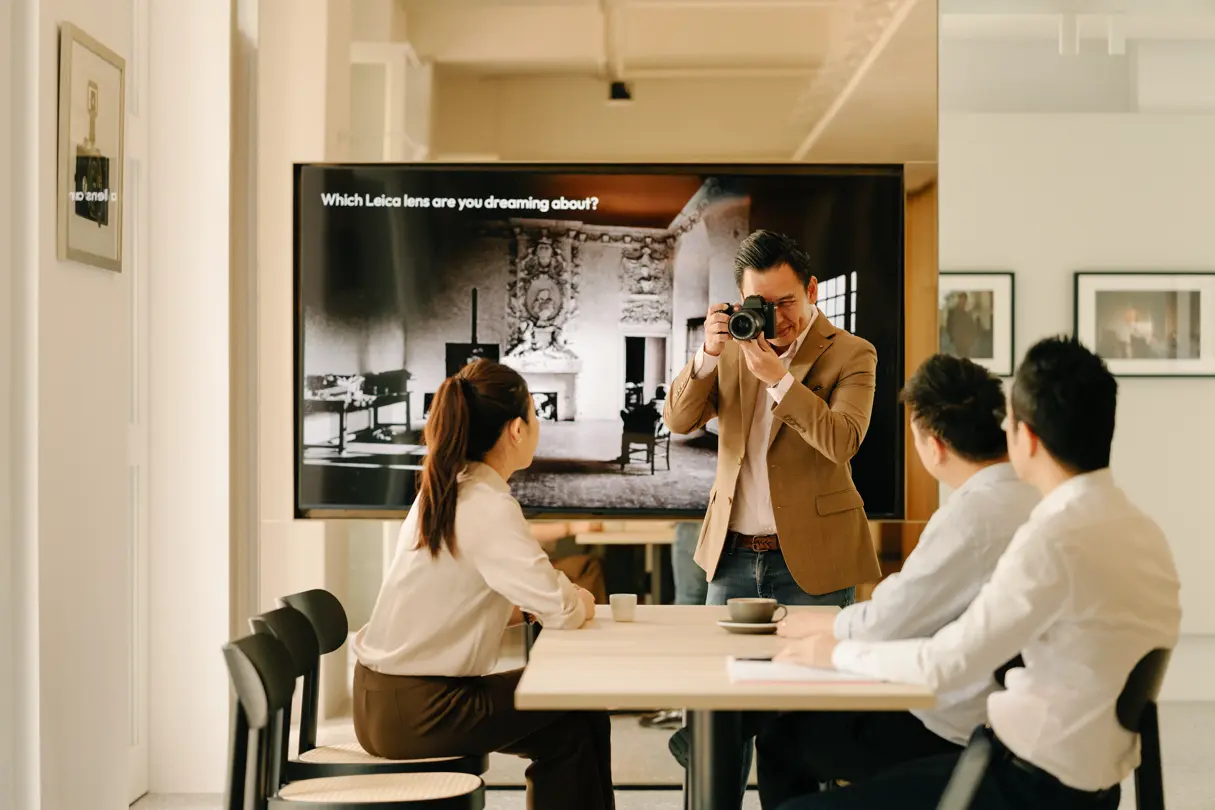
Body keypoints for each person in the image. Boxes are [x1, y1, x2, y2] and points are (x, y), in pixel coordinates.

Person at [774, 336, 1181, 810]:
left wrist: (837, 653)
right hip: (1086, 783)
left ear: (1024, 437)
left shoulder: (1054, 537)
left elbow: (945, 666)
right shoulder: (1140, 528)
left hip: (1024, 784)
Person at [754, 354, 1039, 808]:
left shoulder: (973, 515)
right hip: (1010, 710)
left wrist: (828, 630)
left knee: (781, 738)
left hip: (958, 726)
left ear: (935, 445)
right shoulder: (1032, 496)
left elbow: (894, 618)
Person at [662, 229, 882, 800]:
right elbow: (679, 420)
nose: (776, 317)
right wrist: (708, 357)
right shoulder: (732, 347)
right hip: (733, 557)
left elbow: (842, 440)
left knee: (800, 730)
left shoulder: (851, 352)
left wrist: (779, 379)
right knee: (718, 721)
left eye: (786, 301)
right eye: (762, 303)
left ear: (810, 290)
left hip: (812, 563)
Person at [349, 359, 615, 810]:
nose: (537, 426)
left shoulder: (448, 488)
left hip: (382, 701)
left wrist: (534, 609)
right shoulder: (485, 504)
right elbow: (565, 609)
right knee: (576, 705)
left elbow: (453, 606)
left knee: (572, 716)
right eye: (534, 415)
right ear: (515, 430)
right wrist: (581, 600)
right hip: (420, 709)